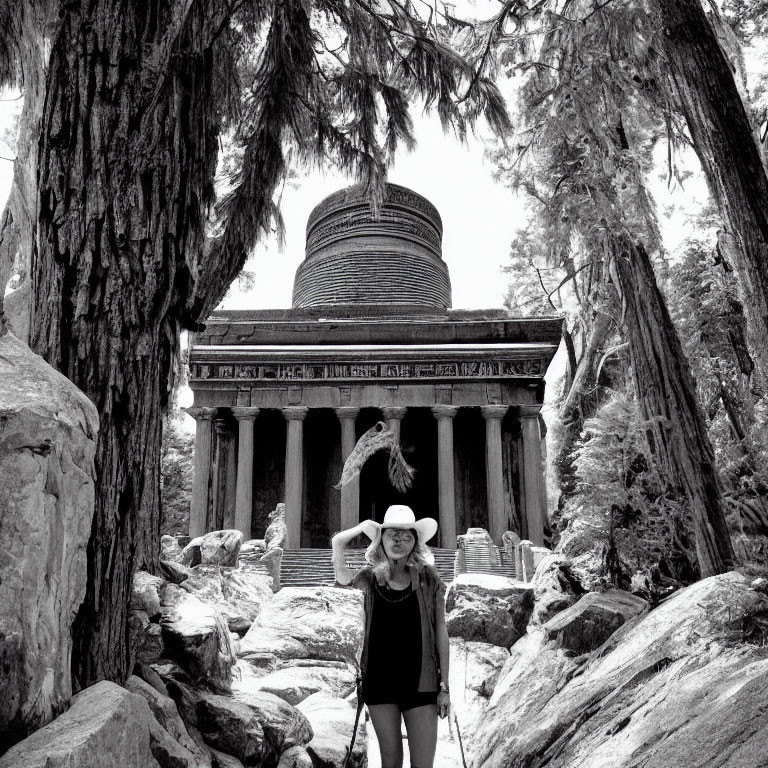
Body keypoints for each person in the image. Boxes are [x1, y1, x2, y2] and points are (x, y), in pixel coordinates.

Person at [332, 504, 451, 768]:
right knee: (390, 760)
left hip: (422, 681)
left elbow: (441, 630)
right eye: (392, 535)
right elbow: (341, 577)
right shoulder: (370, 578)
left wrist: (445, 688)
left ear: (415, 543)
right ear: (381, 540)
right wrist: (351, 533)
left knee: (423, 763)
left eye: (407, 536)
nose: (400, 541)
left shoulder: (428, 578)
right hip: (379, 680)